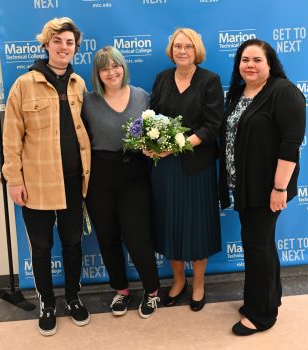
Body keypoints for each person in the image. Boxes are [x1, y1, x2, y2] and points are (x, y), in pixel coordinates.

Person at [2, 17, 91, 336]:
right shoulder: (24, 85)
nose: (64, 47)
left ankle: (72, 298)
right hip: (36, 183)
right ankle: (48, 303)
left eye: (70, 43)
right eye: (58, 41)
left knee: (72, 243)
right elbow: (11, 137)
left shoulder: (79, 84)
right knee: (40, 248)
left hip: (72, 182)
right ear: (46, 45)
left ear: (75, 49)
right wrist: (14, 179)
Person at [219, 39, 306, 336]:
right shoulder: (239, 93)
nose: (250, 65)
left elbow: (290, 145)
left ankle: (262, 315)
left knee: (257, 248)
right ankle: (268, 298)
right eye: (245, 60)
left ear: (270, 63)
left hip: (267, 188)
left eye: (257, 60)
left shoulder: (284, 92)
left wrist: (279, 189)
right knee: (261, 246)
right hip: (244, 187)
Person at [147, 28, 223, 312]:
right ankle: (178, 281)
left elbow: (212, 126)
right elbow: (153, 117)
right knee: (169, 224)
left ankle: (199, 283)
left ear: (197, 50)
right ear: (171, 50)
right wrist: (149, 144)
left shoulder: (210, 80)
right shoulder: (163, 78)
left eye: (188, 47)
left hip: (196, 167)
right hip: (164, 168)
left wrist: (176, 146)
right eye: (177, 46)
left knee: (197, 227)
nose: (182, 51)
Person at [82, 46, 160, 319]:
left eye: (116, 66)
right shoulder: (87, 101)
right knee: (107, 237)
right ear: (97, 74)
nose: (112, 72)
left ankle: (152, 291)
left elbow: (155, 136)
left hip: (134, 175)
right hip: (100, 177)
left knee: (137, 237)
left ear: (123, 67)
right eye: (105, 68)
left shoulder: (141, 96)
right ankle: (121, 290)